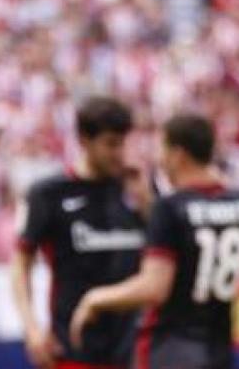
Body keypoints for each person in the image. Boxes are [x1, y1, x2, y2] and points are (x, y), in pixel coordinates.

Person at [70, 114, 239, 369]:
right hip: (219, 347)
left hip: (169, 348)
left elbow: (154, 287)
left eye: (162, 149)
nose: (159, 159)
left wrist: (96, 298)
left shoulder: (171, 207)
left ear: (178, 154)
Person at [11, 97, 148, 369]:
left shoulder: (136, 189)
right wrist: (32, 329)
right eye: (110, 143)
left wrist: (148, 204)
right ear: (84, 140)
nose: (119, 153)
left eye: (122, 143)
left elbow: (159, 258)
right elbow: (20, 263)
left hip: (132, 354)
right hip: (73, 352)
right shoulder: (49, 193)